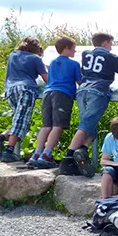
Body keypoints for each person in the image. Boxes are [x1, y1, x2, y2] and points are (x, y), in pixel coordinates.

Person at [61, 32, 118, 177]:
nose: (111, 48)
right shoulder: (111, 57)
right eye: (111, 44)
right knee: (86, 125)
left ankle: (81, 150)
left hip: (82, 90)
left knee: (90, 126)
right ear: (105, 43)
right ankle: (68, 158)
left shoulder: (86, 54)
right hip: (98, 90)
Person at [0, 37, 48, 163]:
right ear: (38, 49)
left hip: (10, 90)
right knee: (21, 120)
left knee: (20, 120)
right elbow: (46, 79)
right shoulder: (36, 58)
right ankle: (9, 150)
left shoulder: (13, 55)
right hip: (26, 89)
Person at [29, 37, 82, 169]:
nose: (75, 51)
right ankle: (47, 154)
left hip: (48, 93)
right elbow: (80, 81)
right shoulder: (74, 64)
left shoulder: (52, 62)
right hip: (62, 94)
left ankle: (37, 154)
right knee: (58, 125)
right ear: (67, 48)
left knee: (46, 125)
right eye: (73, 48)